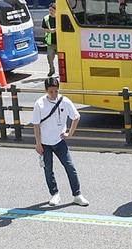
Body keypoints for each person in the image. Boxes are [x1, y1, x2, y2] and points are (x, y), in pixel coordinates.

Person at [31, 76, 87, 207]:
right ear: (45, 90)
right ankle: (54, 194)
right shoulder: (39, 104)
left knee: (70, 167)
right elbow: (36, 125)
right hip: (45, 143)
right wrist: (38, 143)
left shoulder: (64, 101)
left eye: (56, 91)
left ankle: (77, 194)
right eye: (50, 91)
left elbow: (76, 117)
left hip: (60, 141)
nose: (53, 94)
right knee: (48, 169)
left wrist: (70, 134)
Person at [42, 3, 58, 77]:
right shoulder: (46, 18)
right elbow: (44, 29)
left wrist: (57, 29)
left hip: (60, 42)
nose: (50, 11)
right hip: (50, 42)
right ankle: (51, 70)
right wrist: (50, 30)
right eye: (49, 10)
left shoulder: (59, 17)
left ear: (55, 10)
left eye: (52, 10)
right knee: (50, 57)